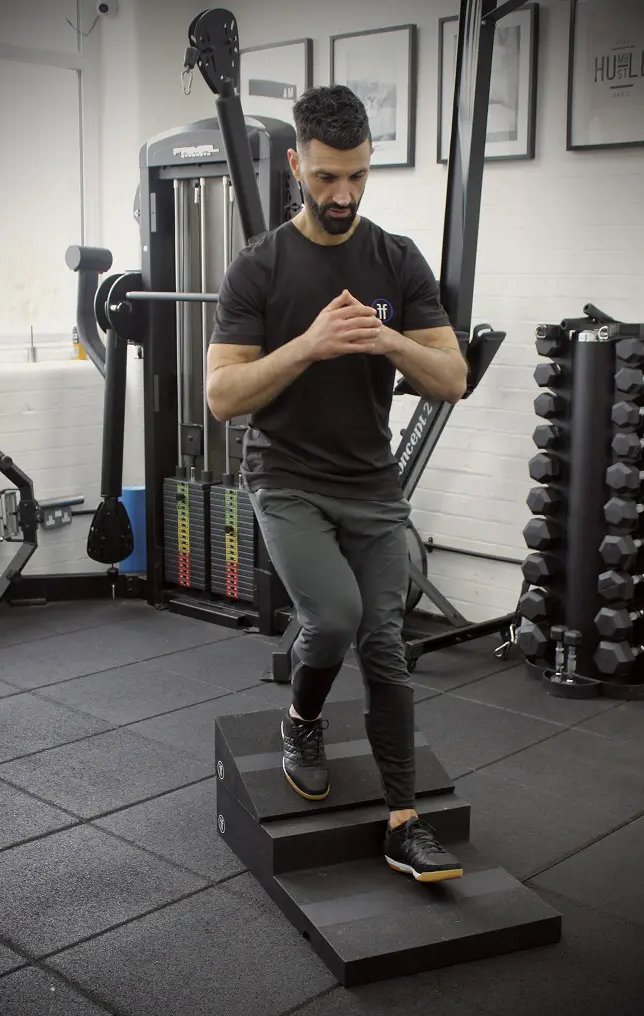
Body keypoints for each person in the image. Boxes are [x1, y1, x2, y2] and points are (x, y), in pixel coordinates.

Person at [207, 85, 468, 884]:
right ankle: (302, 719)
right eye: (326, 177)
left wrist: (388, 340)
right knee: (334, 616)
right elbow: (221, 397)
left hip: (371, 483)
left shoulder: (397, 259)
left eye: (357, 176)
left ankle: (404, 823)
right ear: (296, 164)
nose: (344, 194)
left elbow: (451, 377)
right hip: (285, 476)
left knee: (385, 642)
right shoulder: (259, 266)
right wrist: (310, 345)